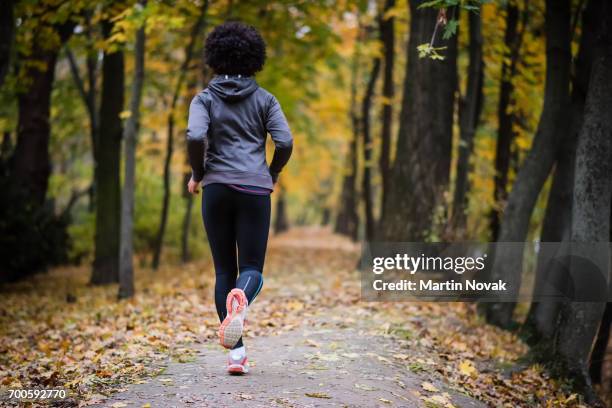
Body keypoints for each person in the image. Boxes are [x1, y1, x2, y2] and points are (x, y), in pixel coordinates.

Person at [185, 21, 293, 375]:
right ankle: (242, 301)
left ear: (214, 57)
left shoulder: (203, 99)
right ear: (254, 58)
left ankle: (236, 356)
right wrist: (272, 172)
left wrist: (198, 174)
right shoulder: (266, 100)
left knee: (222, 271)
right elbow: (286, 142)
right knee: (251, 270)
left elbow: (195, 136)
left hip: (215, 189)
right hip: (254, 190)